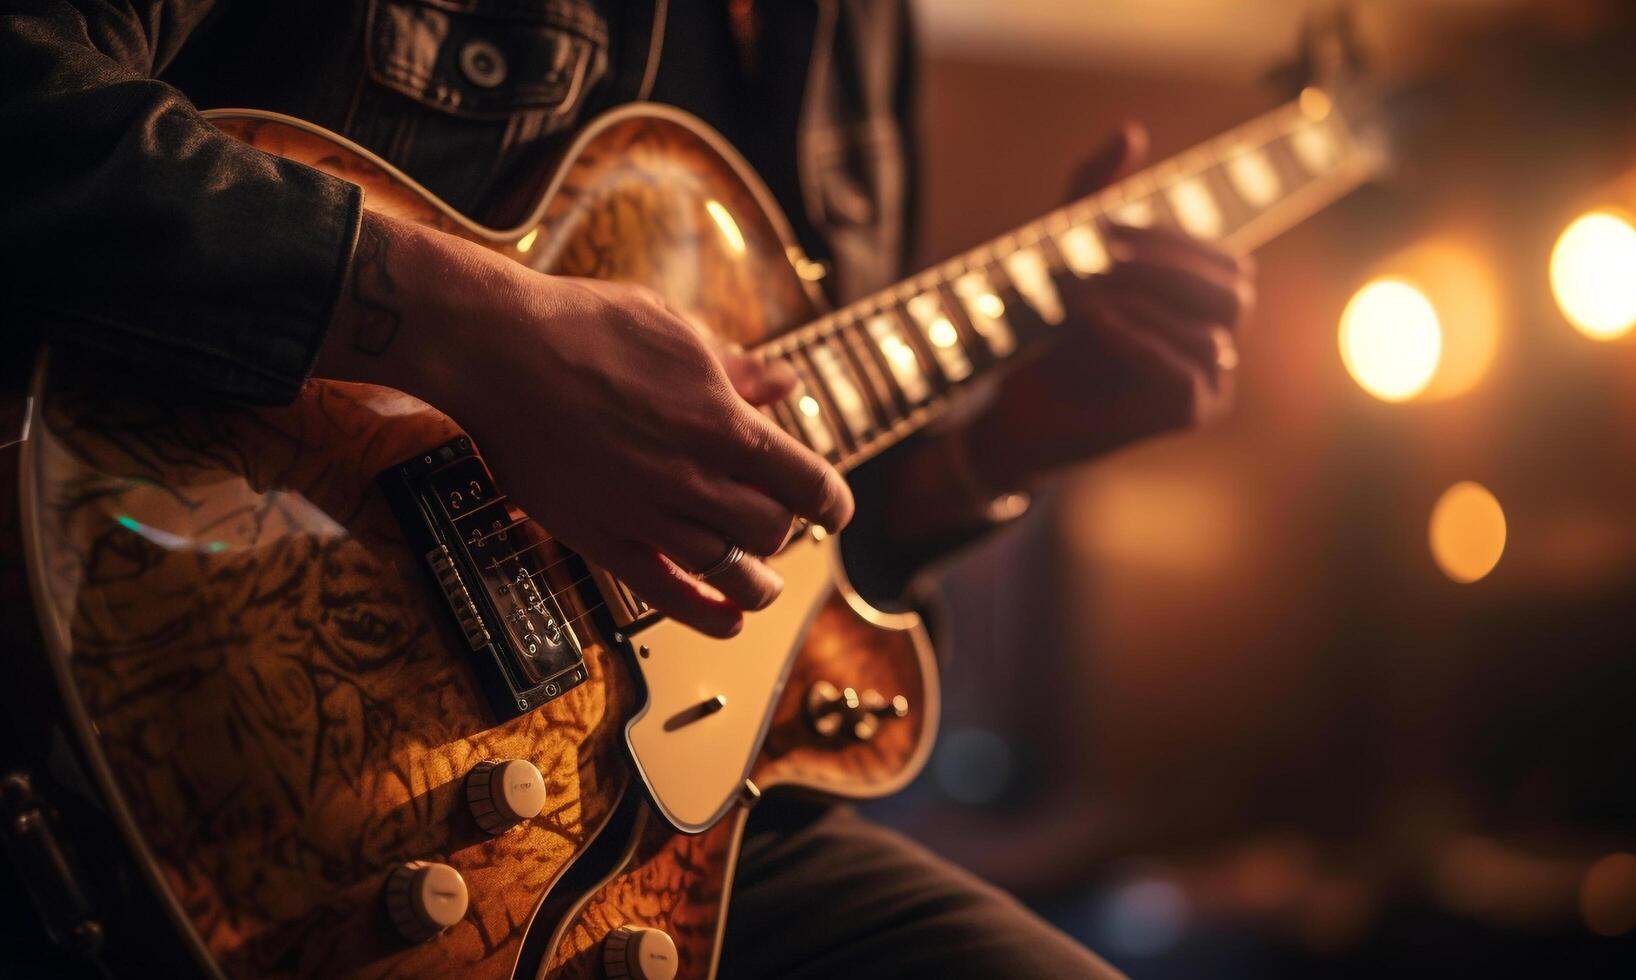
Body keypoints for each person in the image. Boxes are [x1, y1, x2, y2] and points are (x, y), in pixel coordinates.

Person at [1, 1, 1251, 976]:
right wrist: (465, 331)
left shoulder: (861, 33)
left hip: (646, 829)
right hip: (170, 695)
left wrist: (998, 450)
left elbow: (764, 544)